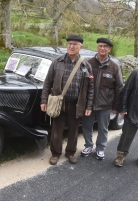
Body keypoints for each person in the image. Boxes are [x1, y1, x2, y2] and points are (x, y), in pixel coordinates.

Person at [41, 35, 94, 165]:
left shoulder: (85, 65)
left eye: (75, 44)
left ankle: (70, 153)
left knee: (73, 130)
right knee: (57, 129)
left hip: (77, 104)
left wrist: (89, 106)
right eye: (69, 43)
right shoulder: (57, 62)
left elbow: (90, 88)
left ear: (80, 47)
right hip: (59, 102)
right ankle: (55, 153)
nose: (71, 46)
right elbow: (47, 82)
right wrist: (43, 100)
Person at [81, 38, 123, 160]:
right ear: (97, 47)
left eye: (105, 46)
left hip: (105, 105)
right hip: (89, 104)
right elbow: (82, 84)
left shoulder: (114, 67)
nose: (102, 48)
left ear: (109, 49)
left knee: (103, 128)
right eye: (100, 46)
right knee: (86, 126)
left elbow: (119, 87)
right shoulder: (88, 63)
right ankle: (88, 146)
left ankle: (100, 149)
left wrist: (116, 106)